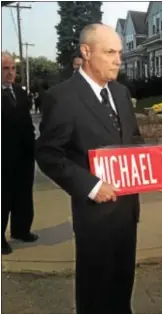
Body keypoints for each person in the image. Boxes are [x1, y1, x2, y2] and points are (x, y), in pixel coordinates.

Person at [36, 24, 144, 314]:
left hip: (128, 207)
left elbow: (134, 140)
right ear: (86, 52)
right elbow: (48, 154)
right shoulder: (63, 97)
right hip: (95, 214)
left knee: (123, 284)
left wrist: (154, 172)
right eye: (110, 52)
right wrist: (91, 186)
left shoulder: (121, 93)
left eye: (120, 53)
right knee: (96, 289)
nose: (118, 59)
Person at [1, 52, 38, 255]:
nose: (10, 73)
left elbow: (27, 123)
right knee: (3, 198)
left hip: (23, 155)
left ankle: (21, 230)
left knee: (23, 195)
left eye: (12, 68)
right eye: (5, 68)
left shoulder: (21, 93)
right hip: (2, 157)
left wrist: (33, 146)